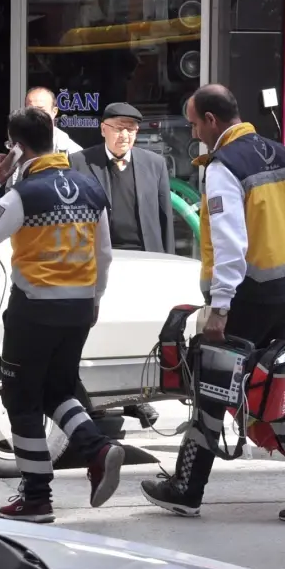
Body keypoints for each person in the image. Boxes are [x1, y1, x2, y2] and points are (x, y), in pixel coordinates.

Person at [140, 84, 285, 524]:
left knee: (212, 390)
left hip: (247, 294)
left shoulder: (223, 165)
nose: (193, 133)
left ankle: (187, 489)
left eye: (194, 124)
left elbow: (231, 242)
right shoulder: (282, 154)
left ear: (212, 120)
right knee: (276, 389)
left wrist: (222, 304)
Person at [0, 107, 125, 523]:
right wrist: (94, 301)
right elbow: (104, 255)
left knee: (21, 399)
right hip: (78, 308)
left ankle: (37, 497)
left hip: (34, 310)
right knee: (58, 391)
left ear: (16, 148)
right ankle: (96, 448)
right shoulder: (91, 188)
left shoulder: (26, 193)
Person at [71, 102, 175, 429]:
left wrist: (166, 263)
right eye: (118, 127)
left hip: (143, 263)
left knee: (142, 335)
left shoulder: (153, 164)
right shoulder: (80, 162)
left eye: (131, 128)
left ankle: (139, 400)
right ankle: (97, 399)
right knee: (97, 330)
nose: (125, 135)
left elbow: (164, 218)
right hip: (99, 261)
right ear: (103, 128)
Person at [25, 86, 83, 156]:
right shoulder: (18, 145)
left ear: (54, 112)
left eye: (41, 110)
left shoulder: (73, 152)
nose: (34, 115)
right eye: (30, 110)